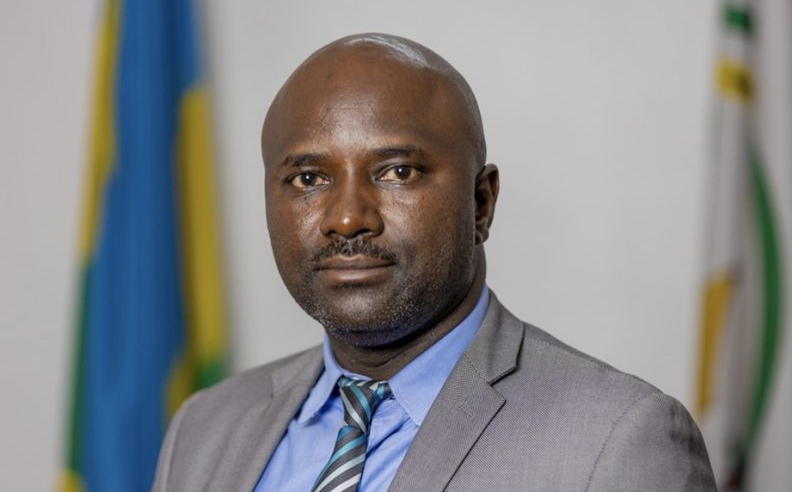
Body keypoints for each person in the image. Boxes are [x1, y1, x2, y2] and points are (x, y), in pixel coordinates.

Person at [152, 33, 716, 492]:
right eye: (308, 179)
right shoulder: (204, 429)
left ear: (481, 202)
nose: (346, 219)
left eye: (398, 172)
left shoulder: (616, 440)